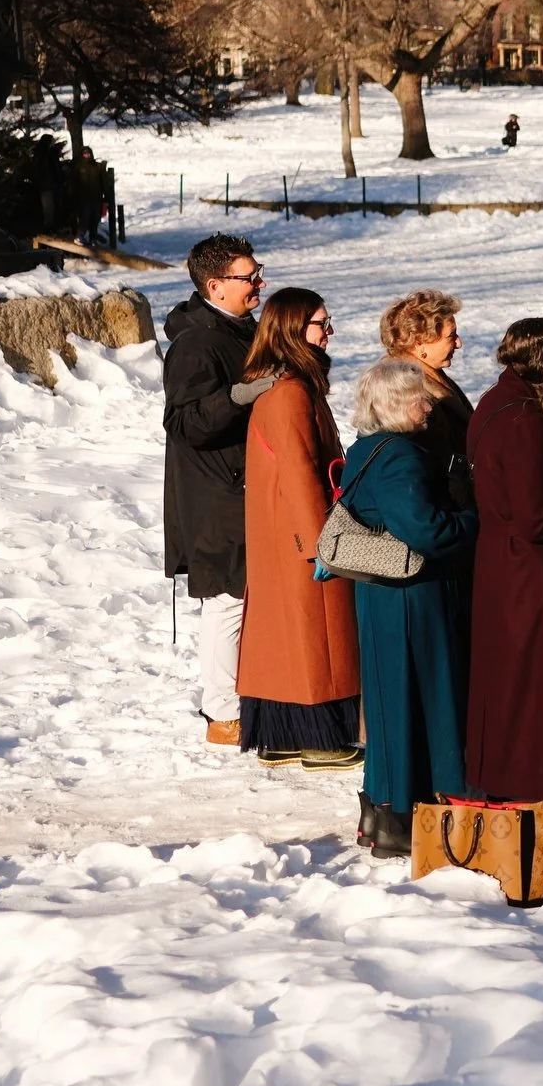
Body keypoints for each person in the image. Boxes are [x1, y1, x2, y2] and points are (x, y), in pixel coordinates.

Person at [341, 359, 480, 858]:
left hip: (380, 593)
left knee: (387, 701)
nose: (428, 405)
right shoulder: (401, 456)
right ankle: (405, 815)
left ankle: (382, 810)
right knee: (418, 698)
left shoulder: (366, 448)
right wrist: (471, 522)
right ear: (400, 405)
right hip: (410, 596)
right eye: (421, 398)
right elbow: (425, 530)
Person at [464, 319, 543, 826]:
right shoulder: (524, 418)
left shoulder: (497, 403)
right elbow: (539, 516)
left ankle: (520, 796)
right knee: (536, 690)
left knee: (515, 687)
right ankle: (531, 804)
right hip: (531, 577)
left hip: (505, 568)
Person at [235, 288, 361, 769]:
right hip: (298, 536)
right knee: (314, 637)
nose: (328, 332)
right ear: (291, 330)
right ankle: (321, 740)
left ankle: (283, 734)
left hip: (281, 533)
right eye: (319, 324)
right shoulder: (289, 393)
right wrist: (320, 545)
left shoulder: (288, 386)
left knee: (287, 636)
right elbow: (299, 471)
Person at [162, 233, 270, 746]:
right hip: (217, 492)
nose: (259, 284)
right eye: (249, 277)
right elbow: (184, 423)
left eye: (257, 273)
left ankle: (245, 697)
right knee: (227, 600)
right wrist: (239, 396)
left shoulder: (242, 330)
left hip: (248, 483)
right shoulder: (196, 343)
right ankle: (221, 713)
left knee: (247, 598)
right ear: (215, 285)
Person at [380, 291, 475, 511]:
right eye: (451, 336)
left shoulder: (434, 378)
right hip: (443, 514)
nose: (459, 344)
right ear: (420, 343)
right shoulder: (406, 394)